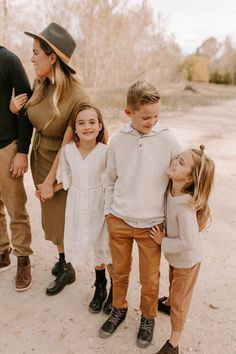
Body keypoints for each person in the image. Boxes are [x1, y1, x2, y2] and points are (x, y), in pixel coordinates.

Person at [99, 81, 181, 348]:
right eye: (146, 117)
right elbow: (110, 179)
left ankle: (148, 317)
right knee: (120, 273)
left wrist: (173, 219)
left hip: (151, 226)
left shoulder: (167, 138)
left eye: (156, 115)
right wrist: (110, 212)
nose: (152, 121)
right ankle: (118, 308)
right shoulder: (118, 141)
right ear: (128, 112)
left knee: (149, 278)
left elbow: (182, 176)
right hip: (120, 219)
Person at [23, 22, 89, 295]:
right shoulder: (42, 84)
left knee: (60, 221)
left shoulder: (76, 96)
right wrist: (16, 108)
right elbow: (33, 116)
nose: (32, 58)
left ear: (53, 57)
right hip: (40, 159)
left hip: (60, 168)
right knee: (50, 219)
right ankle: (62, 259)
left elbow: (81, 140)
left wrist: (53, 180)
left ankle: (68, 267)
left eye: (36, 52)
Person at [149, 145, 215, 354]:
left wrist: (162, 241)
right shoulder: (172, 189)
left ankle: (173, 344)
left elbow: (189, 243)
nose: (174, 162)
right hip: (177, 259)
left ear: (189, 179)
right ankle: (168, 302)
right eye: (177, 158)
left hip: (187, 260)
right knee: (173, 282)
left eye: (181, 163)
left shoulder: (185, 209)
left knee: (180, 300)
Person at [54, 103, 113, 314]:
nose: (87, 127)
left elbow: (112, 182)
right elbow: (66, 178)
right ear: (75, 129)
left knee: (105, 248)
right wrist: (49, 189)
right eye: (81, 123)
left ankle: (116, 289)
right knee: (93, 249)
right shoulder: (68, 151)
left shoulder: (107, 151)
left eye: (91, 122)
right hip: (79, 205)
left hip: (101, 206)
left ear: (99, 126)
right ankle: (100, 287)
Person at [0, 45, 33, 291]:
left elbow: (26, 110)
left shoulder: (9, 60)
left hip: (7, 146)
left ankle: (23, 258)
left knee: (15, 206)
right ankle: (2, 250)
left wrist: (22, 151)